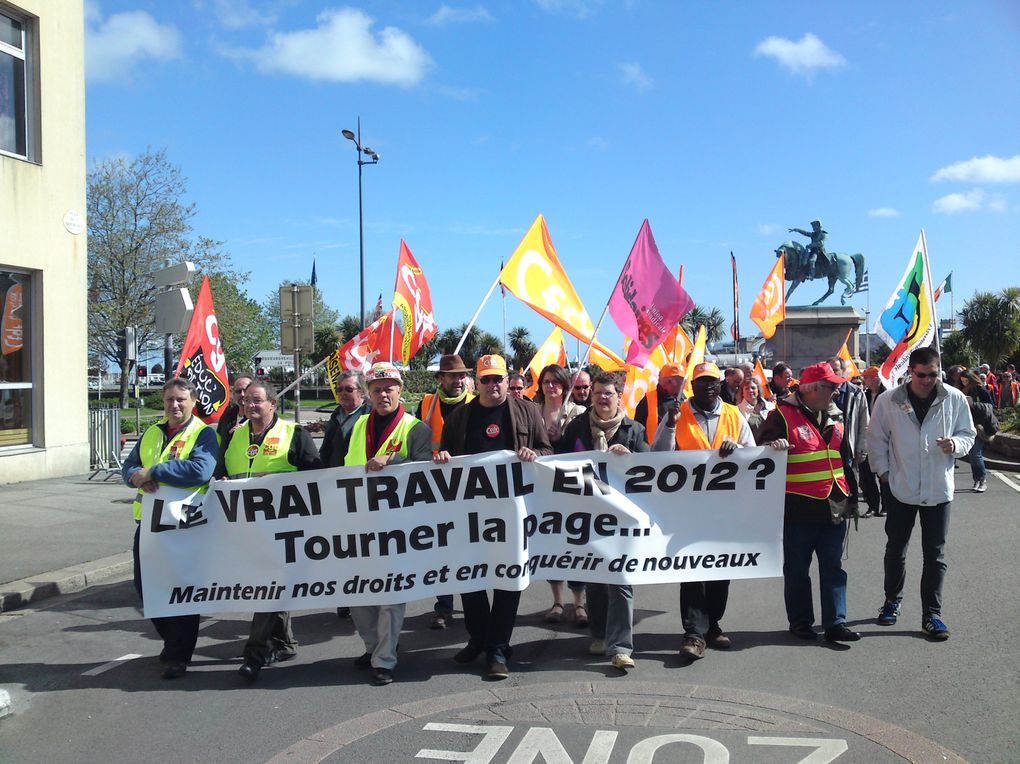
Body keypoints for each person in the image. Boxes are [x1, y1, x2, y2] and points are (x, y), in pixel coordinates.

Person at [435, 354, 552, 679]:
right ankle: (479, 639)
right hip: (470, 513)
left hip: (512, 514)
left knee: (507, 581)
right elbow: (445, 457)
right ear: (477, 381)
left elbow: (547, 451)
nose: (492, 385)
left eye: (497, 379)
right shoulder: (460, 417)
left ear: (506, 380)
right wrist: (442, 457)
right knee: (469, 578)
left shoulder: (527, 411)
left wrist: (534, 454)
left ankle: (497, 649)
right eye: (485, 379)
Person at [867, 347, 975, 640]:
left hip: (938, 488)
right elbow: (876, 439)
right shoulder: (889, 400)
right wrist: (885, 474)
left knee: (935, 554)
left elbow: (968, 433)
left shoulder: (952, 398)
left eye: (934, 374)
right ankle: (892, 601)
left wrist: (956, 444)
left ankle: (932, 614)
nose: (928, 380)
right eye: (922, 375)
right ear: (910, 372)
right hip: (900, 487)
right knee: (896, 549)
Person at [220, 380, 323, 681]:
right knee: (270, 590)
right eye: (247, 401)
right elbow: (221, 473)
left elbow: (316, 476)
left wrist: (277, 480)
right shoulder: (234, 437)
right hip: (245, 530)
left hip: (284, 531)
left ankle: (253, 654)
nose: (251, 406)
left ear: (272, 404)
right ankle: (284, 643)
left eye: (257, 400)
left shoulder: (294, 434)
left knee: (267, 590)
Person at [652, 362, 755, 660]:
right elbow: (658, 456)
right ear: (692, 387)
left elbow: (754, 453)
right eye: (701, 382)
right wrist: (670, 424)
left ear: (720, 385)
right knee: (693, 569)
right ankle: (694, 634)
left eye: (712, 381)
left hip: (726, 508)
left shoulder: (735, 415)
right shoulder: (677, 414)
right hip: (689, 509)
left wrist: (737, 448)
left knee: (721, 569)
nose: (707, 386)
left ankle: (713, 624)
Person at [758, 363, 861, 644]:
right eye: (831, 386)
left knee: (833, 567)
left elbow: (843, 458)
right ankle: (801, 621)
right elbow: (761, 456)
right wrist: (772, 447)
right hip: (797, 508)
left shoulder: (835, 414)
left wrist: (852, 497)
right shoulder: (780, 415)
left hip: (834, 505)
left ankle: (835, 623)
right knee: (797, 570)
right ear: (810, 389)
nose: (837, 390)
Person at [123, 378, 218, 679]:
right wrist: (135, 476)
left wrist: (154, 472)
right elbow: (129, 466)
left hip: (184, 523)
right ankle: (172, 642)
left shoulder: (202, 434)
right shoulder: (152, 432)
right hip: (148, 524)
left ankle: (178, 654)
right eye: (169, 400)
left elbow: (200, 470)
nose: (174, 405)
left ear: (193, 402)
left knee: (182, 589)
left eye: (180, 400)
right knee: (146, 587)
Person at [344, 363, 432, 685]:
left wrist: (392, 461)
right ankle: (373, 647)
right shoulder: (357, 426)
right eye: (377, 389)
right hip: (357, 520)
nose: (383, 394)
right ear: (368, 393)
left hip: (398, 524)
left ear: (400, 391)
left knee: (390, 595)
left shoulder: (415, 428)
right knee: (358, 593)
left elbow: (423, 469)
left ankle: (385, 659)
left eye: (389, 388)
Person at [557, 372, 648, 671]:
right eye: (597, 392)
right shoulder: (577, 428)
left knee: (621, 581)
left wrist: (630, 457)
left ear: (619, 396)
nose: (602, 398)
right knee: (595, 577)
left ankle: (620, 647)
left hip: (622, 518)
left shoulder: (634, 430)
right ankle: (598, 634)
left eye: (608, 393)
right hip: (587, 514)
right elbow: (558, 464)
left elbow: (650, 472)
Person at [415, 354, 474, 629]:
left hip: (470, 487)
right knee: (441, 548)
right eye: (452, 375)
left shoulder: (476, 404)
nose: (458, 380)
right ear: (440, 378)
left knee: (470, 547)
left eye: (462, 375)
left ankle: (474, 605)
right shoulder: (426, 405)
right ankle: (444, 607)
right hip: (435, 488)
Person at [534, 363, 587, 625]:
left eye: (556, 382)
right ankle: (557, 601)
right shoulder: (532, 411)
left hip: (572, 487)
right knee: (551, 544)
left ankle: (579, 604)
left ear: (565, 385)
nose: (551, 386)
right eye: (546, 382)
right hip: (542, 488)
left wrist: (561, 437)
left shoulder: (578, 412)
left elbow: (582, 447)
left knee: (575, 543)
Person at [828, 357, 870, 513]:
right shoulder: (822, 391)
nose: (832, 372)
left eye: (836, 369)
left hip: (848, 443)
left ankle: (852, 505)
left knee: (849, 475)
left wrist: (862, 449)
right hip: (828, 444)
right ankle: (835, 507)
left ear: (843, 371)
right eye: (830, 369)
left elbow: (864, 423)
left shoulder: (856, 393)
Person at [319, 371, 372, 468]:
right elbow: (325, 451)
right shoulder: (336, 416)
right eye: (339, 389)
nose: (343, 393)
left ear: (362, 392)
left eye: (349, 389)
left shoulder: (371, 415)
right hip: (336, 477)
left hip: (363, 476)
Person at [959, 369, 995, 493]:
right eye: (962, 381)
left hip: (978, 426)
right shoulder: (960, 390)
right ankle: (977, 479)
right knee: (972, 455)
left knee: (975, 453)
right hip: (965, 425)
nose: (964, 383)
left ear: (971, 379)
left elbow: (991, 405)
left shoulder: (980, 389)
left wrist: (973, 404)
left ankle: (982, 479)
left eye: (966, 381)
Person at [633, 362, 685, 445]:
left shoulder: (685, 400)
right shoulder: (647, 400)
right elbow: (637, 430)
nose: (683, 384)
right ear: (669, 381)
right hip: (653, 454)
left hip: (682, 455)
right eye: (681, 381)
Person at [859, 367, 885, 516]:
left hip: (883, 441)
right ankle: (872, 506)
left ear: (875, 378)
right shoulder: (864, 395)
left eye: (867, 378)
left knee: (883, 475)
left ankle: (886, 506)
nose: (864, 381)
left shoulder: (887, 394)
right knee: (867, 477)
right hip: (866, 440)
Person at [216, 373, 253, 447]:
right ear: (233, 394)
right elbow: (218, 442)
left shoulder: (257, 417)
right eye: (238, 391)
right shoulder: (226, 416)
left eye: (245, 390)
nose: (242, 394)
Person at [737, 377, 774, 443]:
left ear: (758, 390)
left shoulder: (771, 407)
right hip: (750, 449)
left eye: (753, 388)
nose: (750, 390)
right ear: (742, 392)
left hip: (771, 447)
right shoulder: (737, 410)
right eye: (747, 388)